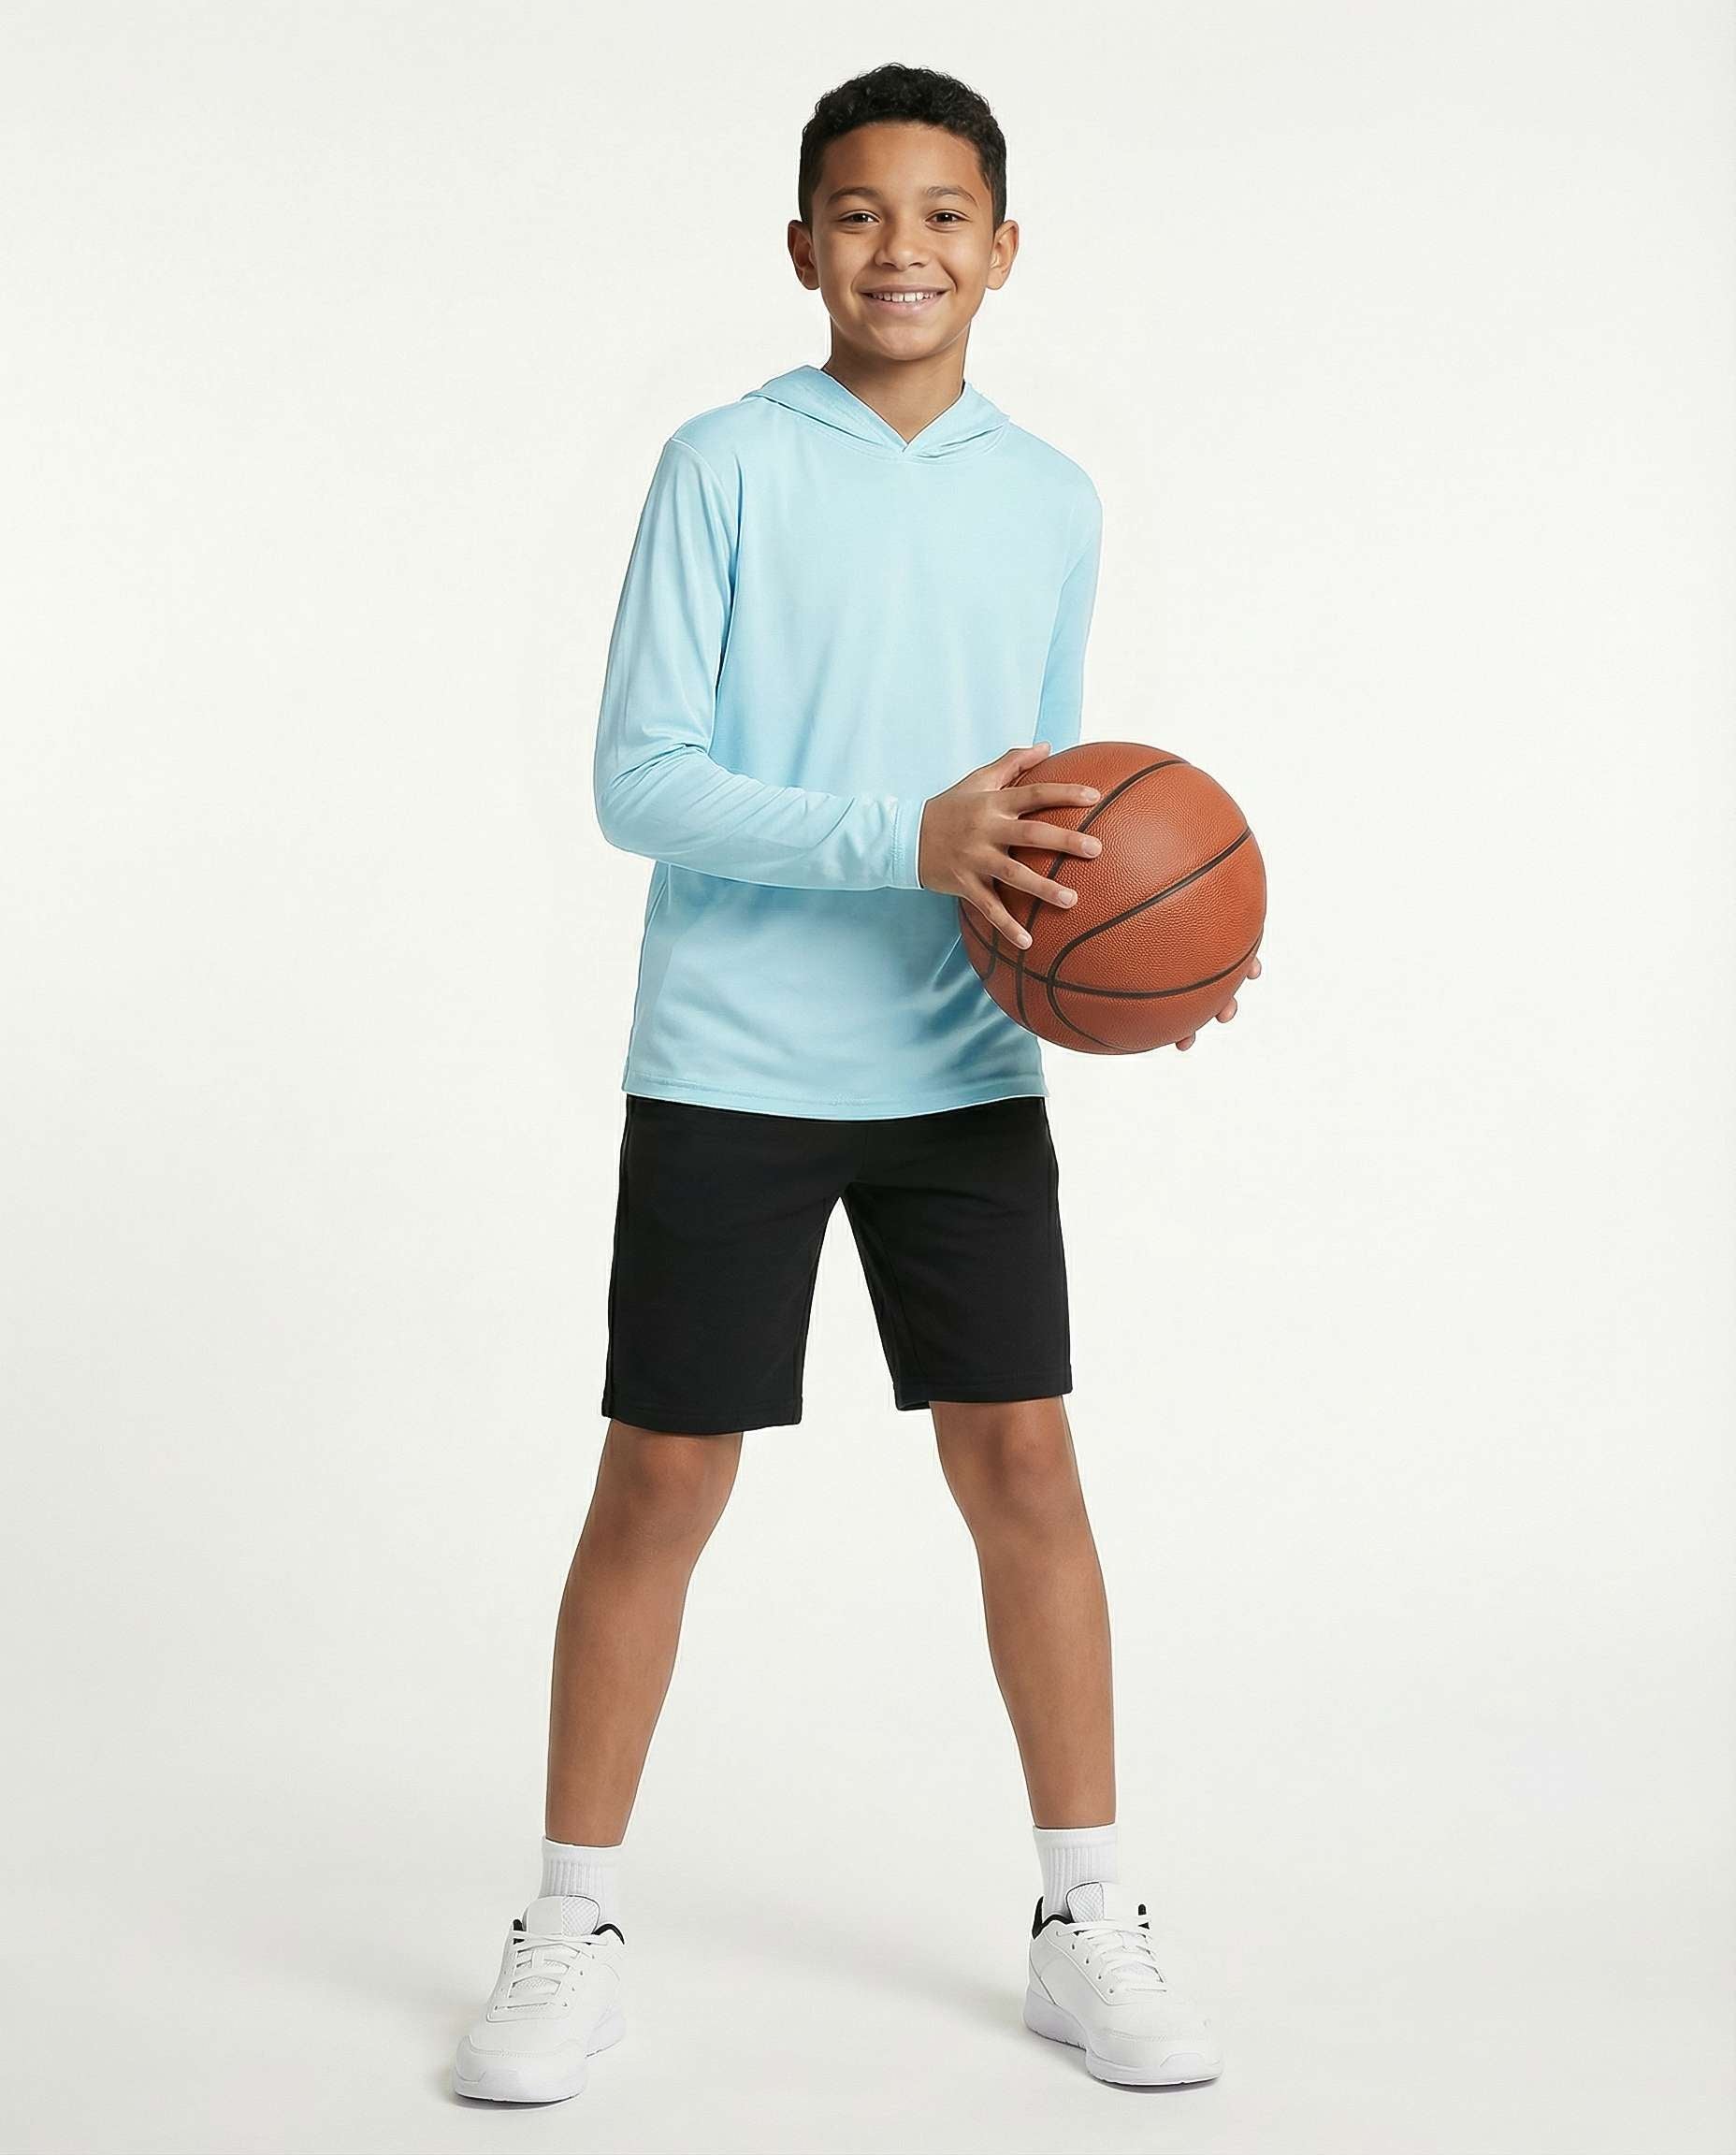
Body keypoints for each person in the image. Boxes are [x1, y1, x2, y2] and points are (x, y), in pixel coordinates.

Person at [452, 60, 1256, 2106]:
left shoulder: (1052, 498)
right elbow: (640, 780)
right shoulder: (724, 463)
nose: (903, 247)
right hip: (731, 1058)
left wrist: (1144, 974)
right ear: (803, 244)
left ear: (1004, 248)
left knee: (1025, 1468)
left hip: (961, 1067)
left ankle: (1085, 1915)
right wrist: (899, 839)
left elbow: (1053, 818)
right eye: (861, 211)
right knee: (661, 1478)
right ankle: (568, 1919)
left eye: (943, 213)